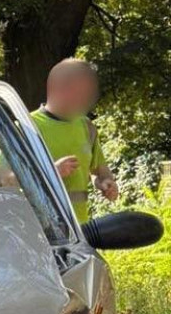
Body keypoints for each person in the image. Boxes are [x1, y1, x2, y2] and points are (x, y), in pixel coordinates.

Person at [33, 58, 119, 222]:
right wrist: (52, 172)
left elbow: (99, 171)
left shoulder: (87, 126)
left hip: (80, 232)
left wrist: (106, 183)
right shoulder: (26, 126)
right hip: (40, 233)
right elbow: (7, 178)